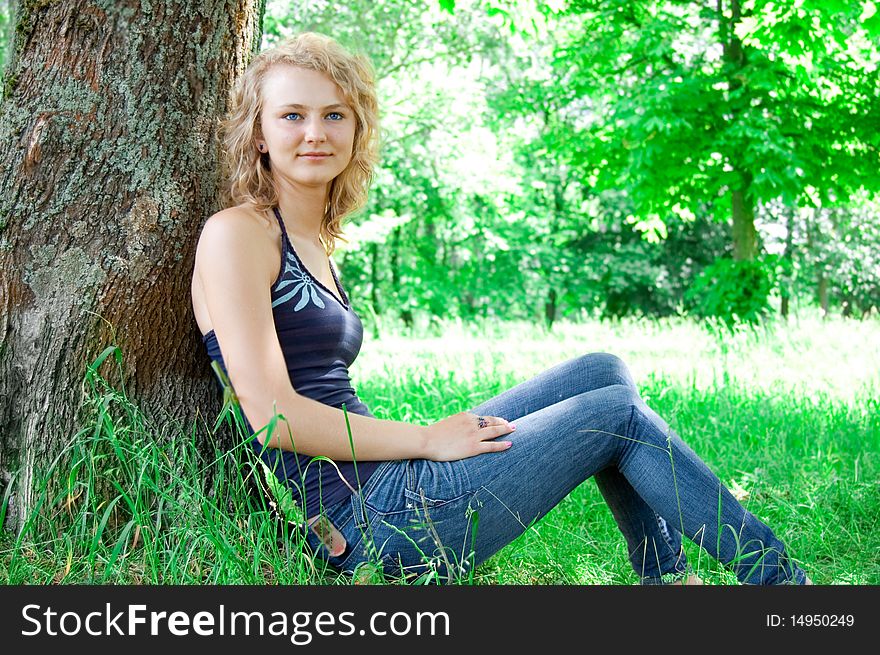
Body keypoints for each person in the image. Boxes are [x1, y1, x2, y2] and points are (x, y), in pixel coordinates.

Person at [191, 32, 811, 585]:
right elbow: (274, 420)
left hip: (392, 486)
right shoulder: (238, 234)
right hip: (375, 524)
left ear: (357, 131)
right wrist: (429, 440)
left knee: (603, 371)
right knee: (615, 414)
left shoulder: (314, 240)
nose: (315, 133)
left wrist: (423, 448)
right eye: (292, 115)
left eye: (334, 115)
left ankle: (666, 580)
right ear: (260, 133)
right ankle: (782, 587)